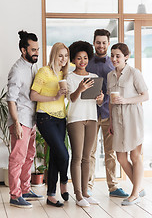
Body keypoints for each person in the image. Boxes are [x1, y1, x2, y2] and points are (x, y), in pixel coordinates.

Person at [86, 29, 128, 197]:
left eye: (104, 42)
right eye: (98, 42)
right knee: (89, 152)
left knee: (110, 152)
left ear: (108, 43)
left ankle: (113, 186)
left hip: (109, 115)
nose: (101, 45)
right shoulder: (87, 63)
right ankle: (88, 186)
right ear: (94, 43)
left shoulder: (114, 63)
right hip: (90, 113)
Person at [107, 43, 149, 205]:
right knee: (121, 157)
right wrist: (110, 121)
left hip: (133, 118)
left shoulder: (134, 73)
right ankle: (138, 188)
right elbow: (110, 102)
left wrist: (126, 100)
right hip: (117, 120)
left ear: (126, 56)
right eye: (112, 55)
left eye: (117, 55)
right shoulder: (111, 76)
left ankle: (134, 194)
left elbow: (145, 96)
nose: (114, 58)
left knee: (135, 155)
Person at [6, 30, 44, 209]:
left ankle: (25, 189)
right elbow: (11, 99)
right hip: (20, 120)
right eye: (33, 49)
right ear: (23, 50)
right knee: (17, 158)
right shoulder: (17, 70)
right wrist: (16, 124)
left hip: (31, 119)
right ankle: (15, 195)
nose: (36, 52)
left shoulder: (33, 66)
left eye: (37, 49)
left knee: (29, 156)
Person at [30, 42, 69, 207]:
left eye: (66, 56)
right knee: (64, 154)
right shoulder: (44, 71)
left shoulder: (63, 74)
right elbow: (33, 95)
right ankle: (64, 183)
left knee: (55, 155)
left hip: (61, 118)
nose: (64, 59)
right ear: (54, 55)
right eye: (60, 55)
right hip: (45, 118)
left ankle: (51, 195)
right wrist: (53, 97)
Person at [66, 41, 104, 207]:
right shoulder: (70, 77)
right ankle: (78, 195)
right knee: (77, 157)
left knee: (87, 157)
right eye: (79, 58)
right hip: (75, 119)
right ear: (73, 59)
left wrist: (101, 100)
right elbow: (71, 99)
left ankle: (86, 193)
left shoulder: (94, 78)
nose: (82, 61)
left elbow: (98, 103)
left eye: (85, 58)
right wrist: (80, 89)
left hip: (92, 119)